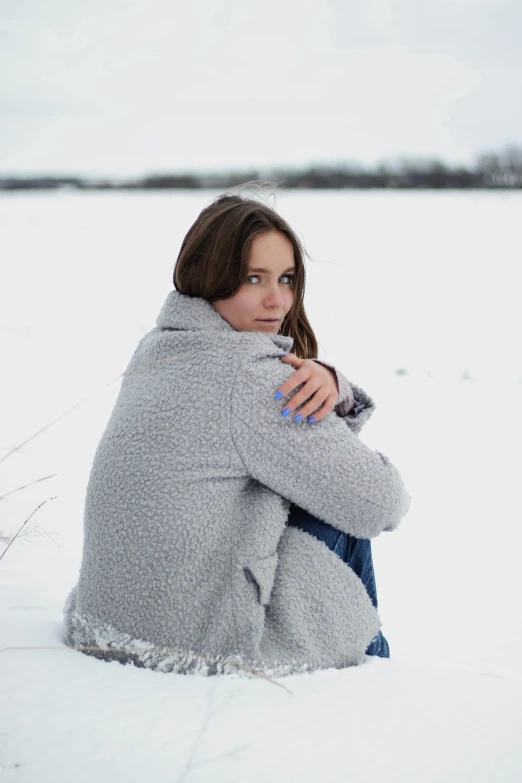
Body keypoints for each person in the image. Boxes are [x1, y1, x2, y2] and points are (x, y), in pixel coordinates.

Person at [63, 191, 411, 677]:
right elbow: (381, 502)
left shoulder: (159, 348)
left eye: (286, 279)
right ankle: (375, 679)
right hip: (194, 648)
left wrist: (334, 387)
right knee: (342, 509)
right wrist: (340, 394)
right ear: (211, 276)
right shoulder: (250, 376)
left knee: (315, 483)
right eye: (254, 279)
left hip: (110, 626)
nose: (277, 300)